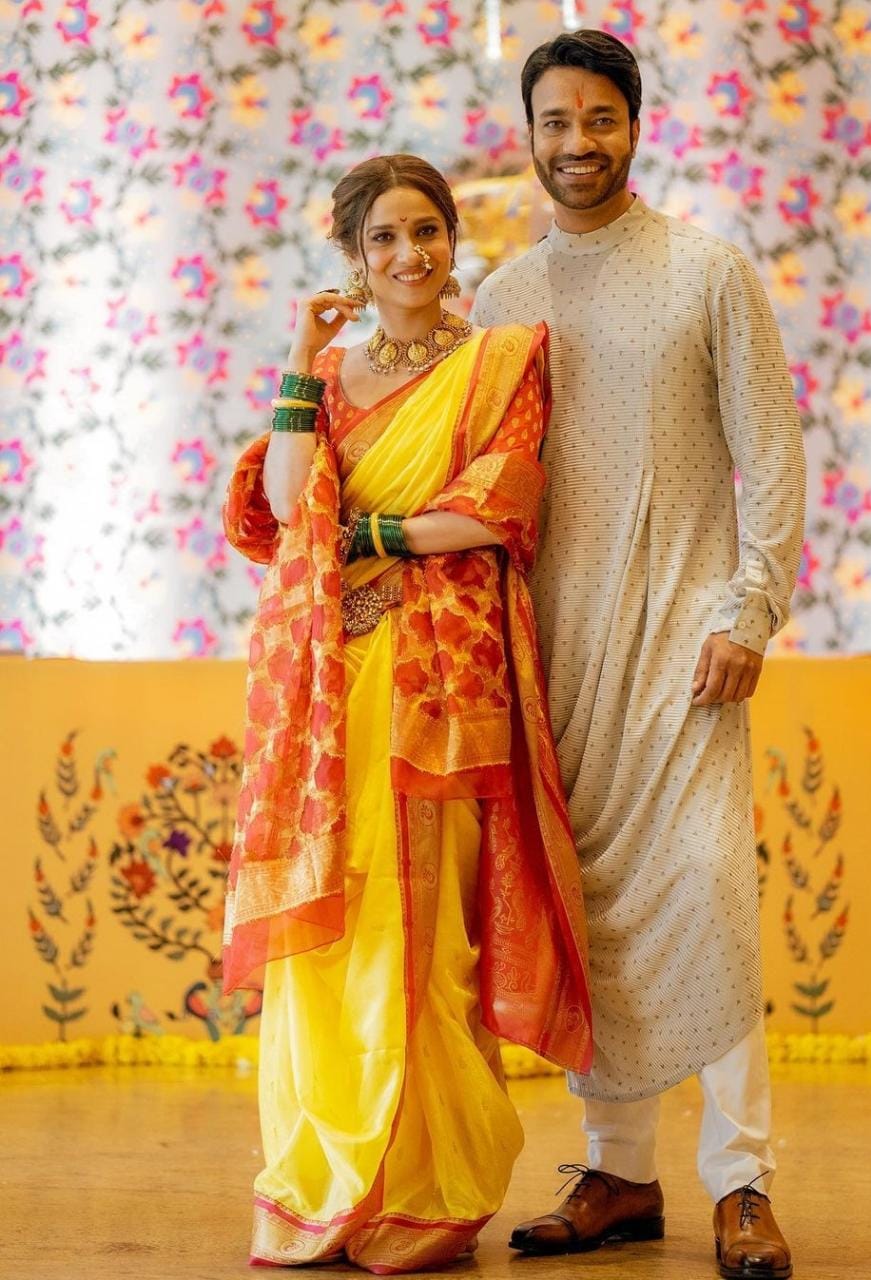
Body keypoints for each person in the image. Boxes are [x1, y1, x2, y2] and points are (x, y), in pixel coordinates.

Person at [471, 30, 805, 1280]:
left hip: (687, 644)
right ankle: (618, 1169)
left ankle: (742, 1179)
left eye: (598, 118)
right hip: (554, 651)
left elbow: (770, 451)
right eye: (554, 121)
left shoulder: (706, 272)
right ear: (529, 135)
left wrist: (749, 609)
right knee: (590, 909)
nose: (576, 143)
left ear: (634, 126)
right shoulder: (503, 301)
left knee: (706, 896)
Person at [221, 153, 593, 1275]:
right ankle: (325, 1179)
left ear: (450, 239)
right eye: (382, 237)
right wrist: (299, 360)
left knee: (428, 934)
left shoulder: (496, 363)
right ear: (353, 255)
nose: (409, 254)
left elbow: (498, 505)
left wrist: (373, 536)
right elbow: (286, 507)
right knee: (332, 928)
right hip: (332, 686)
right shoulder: (329, 377)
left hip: (437, 685)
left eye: (424, 230)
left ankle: (424, 1185)